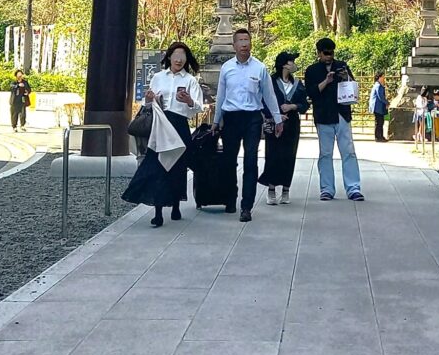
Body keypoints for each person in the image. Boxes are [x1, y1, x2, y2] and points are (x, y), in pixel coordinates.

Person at [122, 41, 203, 227]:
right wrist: (150, 100)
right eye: (176, 55)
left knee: (177, 166)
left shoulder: (190, 80)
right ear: (169, 57)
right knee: (157, 165)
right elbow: (148, 103)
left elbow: (197, 107)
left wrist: (189, 101)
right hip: (160, 123)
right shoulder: (158, 77)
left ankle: (175, 204)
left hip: (179, 124)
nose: (179, 59)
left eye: (183, 56)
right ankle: (158, 210)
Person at [212, 28, 282, 222]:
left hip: (252, 117)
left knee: (250, 161)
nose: (244, 44)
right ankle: (230, 198)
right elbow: (221, 96)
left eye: (247, 40)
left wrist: (277, 119)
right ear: (234, 45)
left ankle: (246, 206)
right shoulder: (227, 68)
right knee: (229, 161)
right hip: (232, 117)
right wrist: (216, 121)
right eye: (240, 40)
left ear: (251, 44)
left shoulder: (259, 68)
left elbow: (269, 95)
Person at [304, 37, 364, 202]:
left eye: (331, 52)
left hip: (342, 113)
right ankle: (327, 189)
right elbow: (311, 93)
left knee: (349, 152)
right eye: (325, 53)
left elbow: (353, 88)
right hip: (323, 116)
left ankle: (353, 188)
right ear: (319, 53)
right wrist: (327, 81)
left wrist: (345, 77)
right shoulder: (312, 70)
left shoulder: (342, 66)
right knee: (325, 154)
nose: (329, 56)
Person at [258, 51, 309, 205]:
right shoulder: (271, 82)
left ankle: (286, 189)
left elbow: (305, 104)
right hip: (274, 123)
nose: (294, 64)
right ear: (285, 64)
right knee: (273, 155)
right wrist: (276, 114)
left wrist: (293, 106)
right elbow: (263, 101)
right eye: (292, 61)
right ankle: (271, 189)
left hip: (292, 123)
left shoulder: (298, 84)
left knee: (289, 155)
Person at [368, 71, 389, 142]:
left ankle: (380, 136)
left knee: (380, 122)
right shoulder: (378, 86)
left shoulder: (377, 85)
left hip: (377, 107)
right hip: (377, 107)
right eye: (383, 76)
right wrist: (387, 102)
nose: (384, 78)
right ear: (379, 77)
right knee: (379, 122)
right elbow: (381, 96)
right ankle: (378, 137)